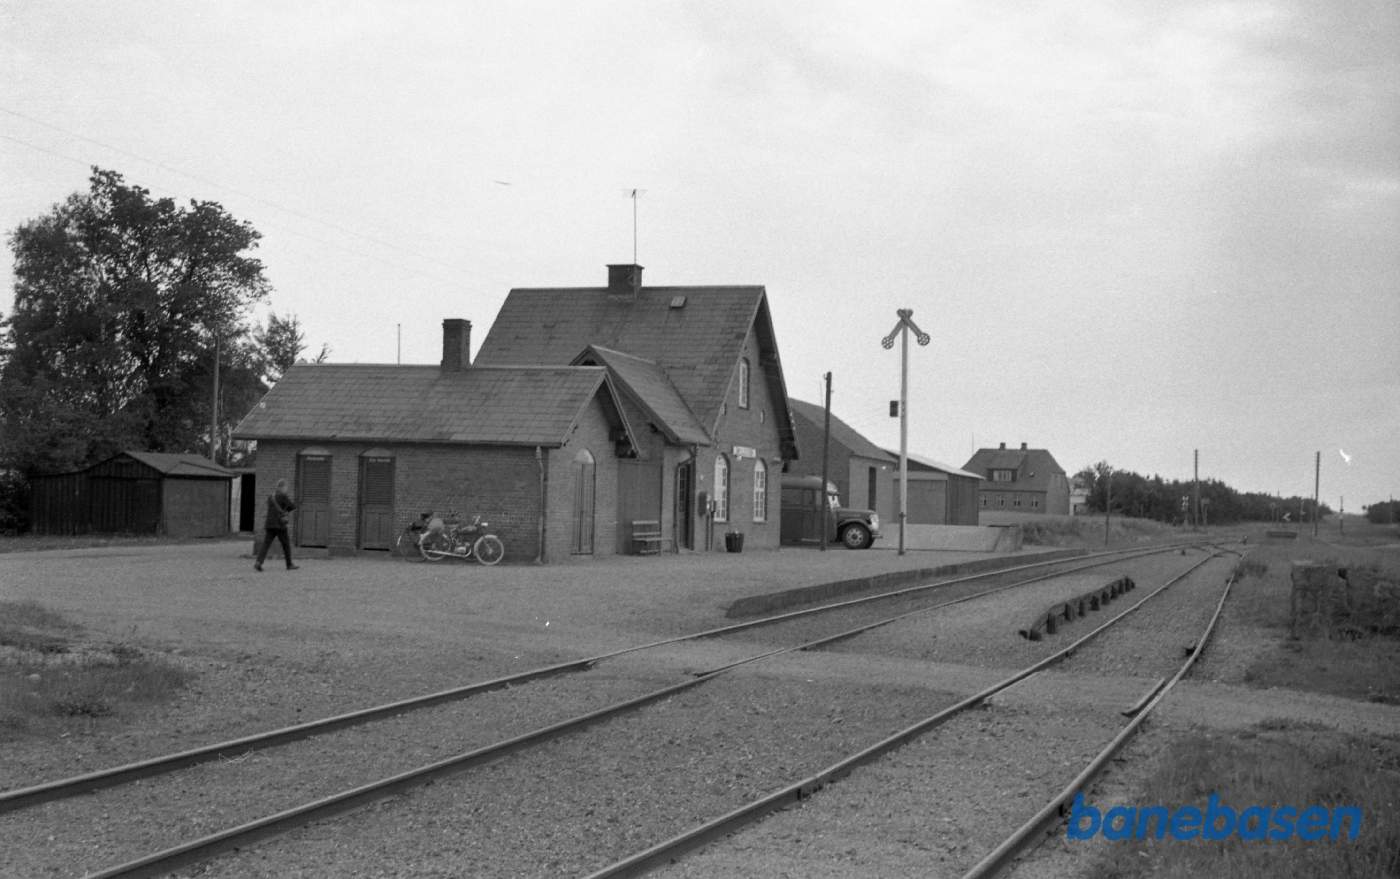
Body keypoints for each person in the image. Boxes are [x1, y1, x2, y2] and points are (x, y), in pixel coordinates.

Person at [254, 479, 299, 571]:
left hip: (269, 524)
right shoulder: (283, 496)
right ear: (282, 487)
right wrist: (285, 511)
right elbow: (292, 506)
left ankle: (259, 562)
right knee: (286, 544)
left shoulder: (271, 497)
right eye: (286, 487)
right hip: (280, 524)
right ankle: (289, 564)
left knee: (266, 544)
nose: (286, 489)